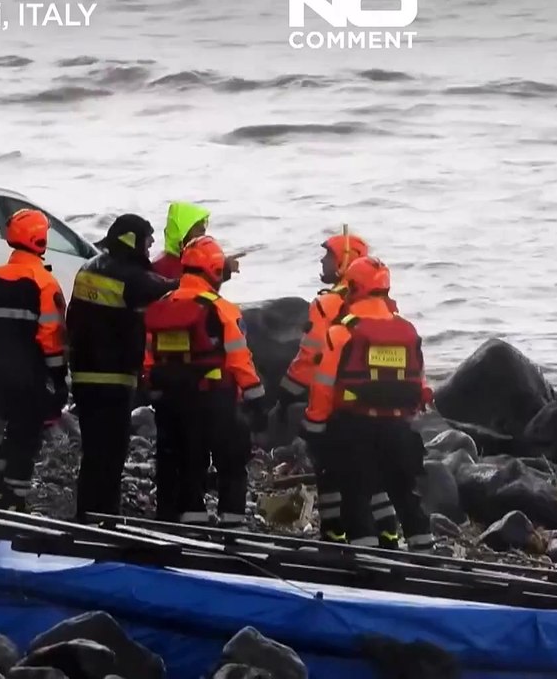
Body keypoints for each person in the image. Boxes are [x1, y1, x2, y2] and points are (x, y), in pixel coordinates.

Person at [297, 256, 434, 551]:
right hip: (399, 428)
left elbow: (323, 385)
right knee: (405, 494)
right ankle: (426, 555)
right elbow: (420, 382)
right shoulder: (408, 331)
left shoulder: (342, 331)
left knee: (355, 494)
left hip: (354, 427)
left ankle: (366, 561)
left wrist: (314, 425)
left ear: (354, 288)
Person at [144, 235, 270, 526]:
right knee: (232, 461)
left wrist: (153, 389)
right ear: (214, 270)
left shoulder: (163, 304)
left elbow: (148, 357)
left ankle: (192, 524)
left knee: (188, 462)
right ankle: (232, 525)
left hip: (171, 399)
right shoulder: (221, 308)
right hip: (215, 398)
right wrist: (256, 399)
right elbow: (239, 359)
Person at [67, 214, 176, 521]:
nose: (151, 244)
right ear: (131, 240)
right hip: (112, 377)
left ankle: (87, 513)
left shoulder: (89, 268)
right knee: (112, 452)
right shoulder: (126, 275)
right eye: (147, 238)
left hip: (84, 374)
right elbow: (162, 288)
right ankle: (104, 517)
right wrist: (202, 275)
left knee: (93, 451)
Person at [272, 229, 372, 541]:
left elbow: (309, 359)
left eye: (328, 255)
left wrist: (284, 397)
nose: (322, 260)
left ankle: (333, 538)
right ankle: (383, 541)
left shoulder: (328, 304)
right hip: (370, 405)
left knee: (329, 474)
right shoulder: (376, 304)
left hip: (333, 406)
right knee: (368, 477)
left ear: (345, 262)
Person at [0, 208, 69, 511]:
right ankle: (15, 501)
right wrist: (59, 381)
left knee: (14, 430)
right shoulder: (44, 284)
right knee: (26, 437)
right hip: (29, 374)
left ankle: (1, 489)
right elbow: (51, 339)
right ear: (40, 239)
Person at [151, 202, 246, 280]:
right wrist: (223, 270)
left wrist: (221, 268)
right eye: (197, 226)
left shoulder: (179, 259)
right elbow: (192, 293)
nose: (203, 230)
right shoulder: (168, 268)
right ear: (182, 234)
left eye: (203, 225)